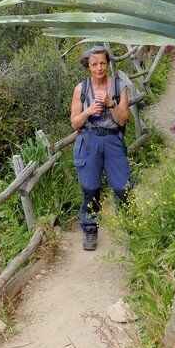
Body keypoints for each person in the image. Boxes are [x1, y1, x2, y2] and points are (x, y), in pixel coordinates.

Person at [70, 44, 133, 251]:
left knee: (123, 186)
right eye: (94, 64)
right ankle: (90, 230)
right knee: (90, 187)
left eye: (103, 63)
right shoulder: (81, 89)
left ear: (108, 64)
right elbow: (75, 123)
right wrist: (88, 112)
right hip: (89, 140)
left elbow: (123, 120)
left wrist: (109, 103)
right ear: (88, 66)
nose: (99, 68)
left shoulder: (119, 86)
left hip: (113, 140)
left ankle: (131, 227)